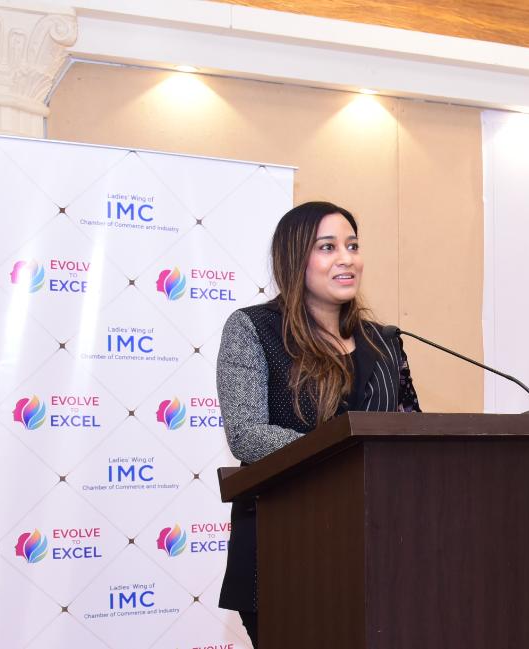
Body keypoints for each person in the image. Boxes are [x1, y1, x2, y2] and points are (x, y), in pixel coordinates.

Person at [216, 201, 420, 648]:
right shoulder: (254, 329)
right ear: (295, 259)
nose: (347, 258)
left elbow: (410, 430)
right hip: (285, 547)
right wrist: (342, 456)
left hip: (378, 548)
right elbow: (247, 434)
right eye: (328, 247)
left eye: (353, 246)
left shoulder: (384, 341)